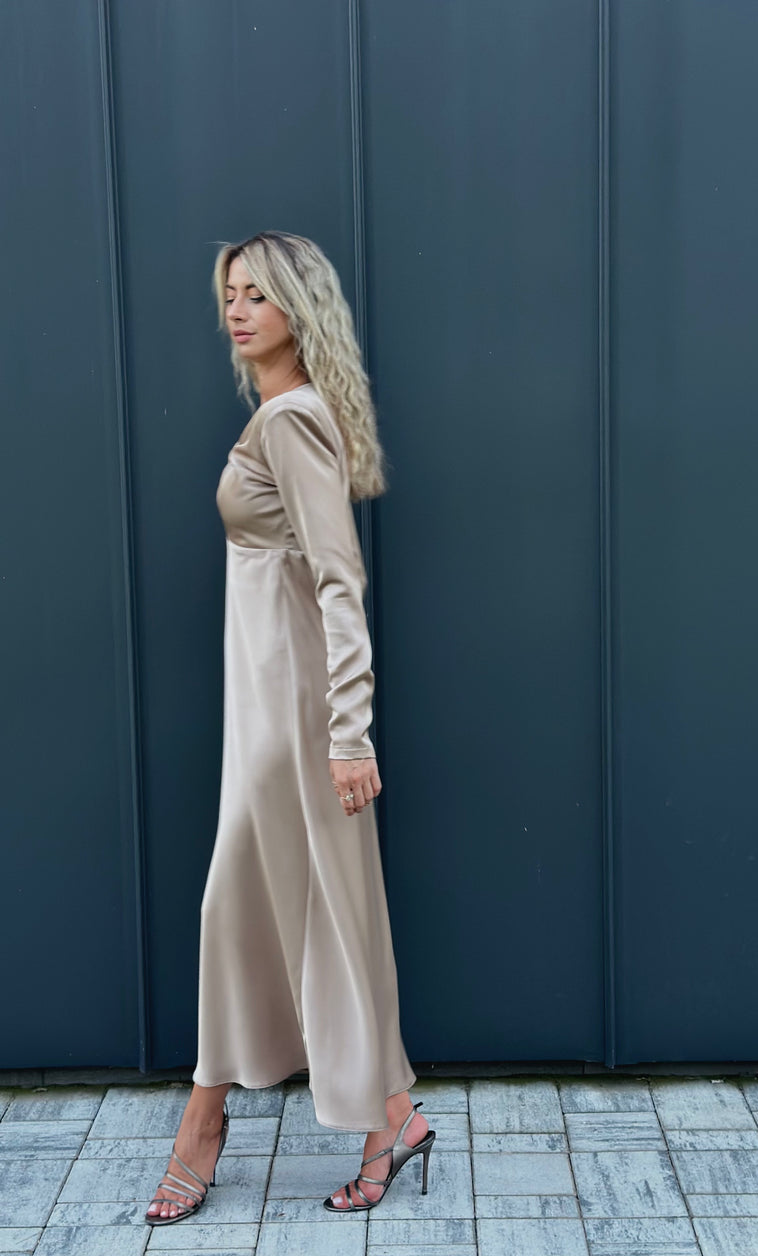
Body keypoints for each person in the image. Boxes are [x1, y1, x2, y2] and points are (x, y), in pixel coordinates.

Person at [145, 230, 436, 1224]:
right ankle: (391, 1116)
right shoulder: (278, 413)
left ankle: (207, 1121)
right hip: (263, 709)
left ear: (297, 311)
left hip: (298, 718)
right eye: (230, 291)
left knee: (287, 908)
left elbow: (339, 580)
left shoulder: (293, 419)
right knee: (294, 910)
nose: (237, 309)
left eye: (258, 294)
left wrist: (349, 733)